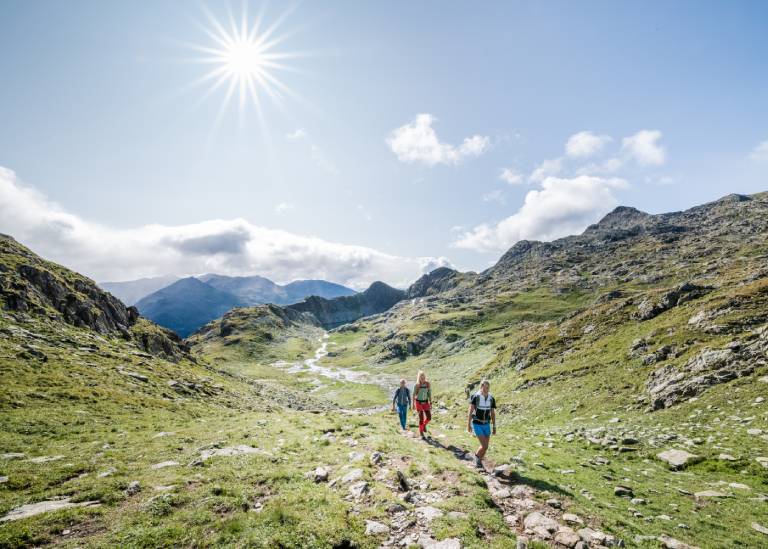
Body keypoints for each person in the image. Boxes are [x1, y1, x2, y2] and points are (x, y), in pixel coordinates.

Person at [468, 379, 496, 469]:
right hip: (477, 423)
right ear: (481, 387)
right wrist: (468, 424)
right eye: (484, 387)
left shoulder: (491, 398)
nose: (486, 389)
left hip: (487, 424)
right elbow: (470, 410)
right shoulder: (476, 396)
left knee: (485, 447)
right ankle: (477, 459)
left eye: (488, 388)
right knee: (484, 445)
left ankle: (479, 461)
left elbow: (492, 412)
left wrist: (494, 425)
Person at [413, 370, 432, 440]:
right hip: (418, 402)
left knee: (429, 417)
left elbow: (429, 393)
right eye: (421, 377)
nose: (423, 378)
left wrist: (430, 402)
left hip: (426, 402)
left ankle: (424, 425)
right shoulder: (417, 385)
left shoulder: (427, 384)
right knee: (421, 418)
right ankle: (421, 432)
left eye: (423, 377)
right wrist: (412, 404)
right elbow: (414, 394)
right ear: (419, 378)